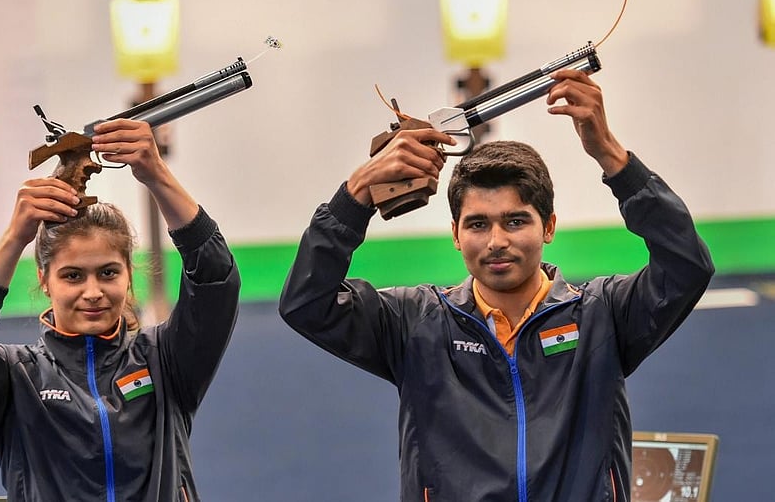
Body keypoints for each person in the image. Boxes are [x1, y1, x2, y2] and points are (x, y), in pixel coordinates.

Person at [278, 69, 714, 501]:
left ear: (549, 227)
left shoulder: (604, 315)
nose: (496, 242)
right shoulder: (416, 323)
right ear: (455, 234)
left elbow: (686, 265)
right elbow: (306, 302)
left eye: (516, 220)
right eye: (478, 224)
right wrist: (357, 192)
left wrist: (613, 157)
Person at [0, 119, 240, 502]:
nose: (92, 292)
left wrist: (157, 175)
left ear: (128, 275)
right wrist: (15, 236)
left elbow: (215, 281)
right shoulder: (16, 379)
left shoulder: (166, 360)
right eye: (73, 276)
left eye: (108, 273)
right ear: (45, 281)